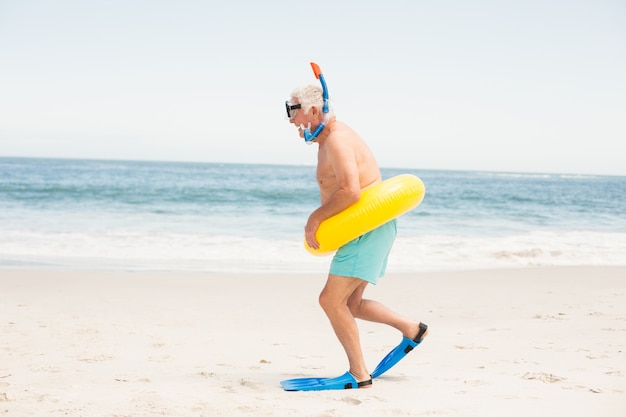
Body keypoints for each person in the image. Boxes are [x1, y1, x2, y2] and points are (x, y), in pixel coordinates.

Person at [284, 83, 428, 389]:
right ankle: (412, 329)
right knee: (351, 304)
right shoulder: (326, 140)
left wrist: (314, 219)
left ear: (312, 110)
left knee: (330, 300)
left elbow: (350, 191)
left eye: (292, 111)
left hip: (366, 229)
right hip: (365, 230)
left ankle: (359, 374)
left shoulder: (336, 140)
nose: (291, 120)